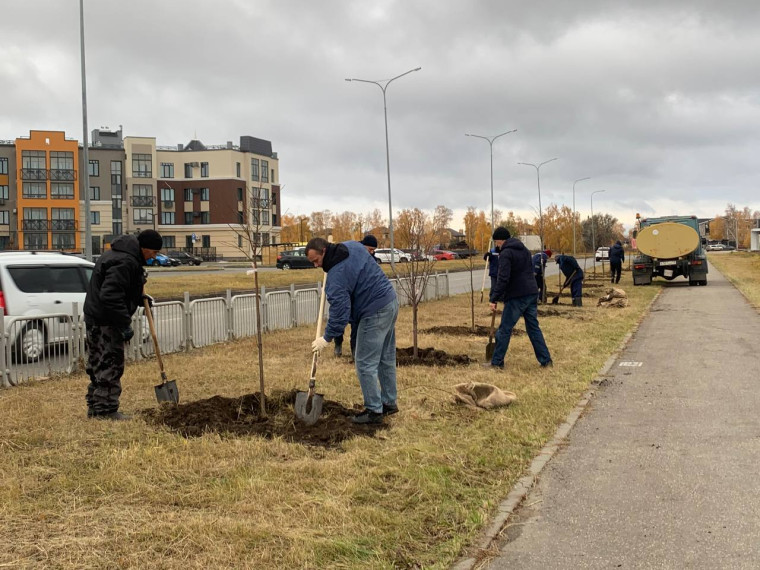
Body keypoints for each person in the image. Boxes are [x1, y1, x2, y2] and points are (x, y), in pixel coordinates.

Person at [306, 236, 398, 424]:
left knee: (365, 363)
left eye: (316, 261)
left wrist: (326, 338)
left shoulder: (336, 277)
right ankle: (389, 402)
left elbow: (340, 312)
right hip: (390, 301)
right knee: (385, 358)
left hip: (374, 311)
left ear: (324, 251)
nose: (316, 266)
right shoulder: (352, 246)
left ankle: (374, 411)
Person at [84, 230, 162, 420]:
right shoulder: (126, 262)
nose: (154, 257)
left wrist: (138, 297)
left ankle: (95, 406)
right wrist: (123, 323)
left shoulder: (117, 255)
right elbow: (110, 295)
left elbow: (119, 289)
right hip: (107, 321)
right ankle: (106, 410)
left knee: (97, 363)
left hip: (95, 317)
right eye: (153, 252)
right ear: (144, 248)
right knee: (111, 363)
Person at [485, 227, 552, 369]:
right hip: (532, 292)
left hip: (517, 295)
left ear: (501, 240)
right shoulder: (525, 251)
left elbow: (503, 278)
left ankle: (496, 363)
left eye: (496, 242)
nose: (496, 245)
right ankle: (546, 361)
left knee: (504, 329)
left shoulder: (506, 253)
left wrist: (494, 298)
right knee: (533, 328)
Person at [334, 234, 378, 358]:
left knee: (356, 324)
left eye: (373, 250)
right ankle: (338, 344)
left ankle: (355, 350)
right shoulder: (350, 254)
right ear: (363, 246)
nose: (371, 252)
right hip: (345, 293)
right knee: (340, 320)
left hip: (360, 296)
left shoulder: (372, 260)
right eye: (370, 249)